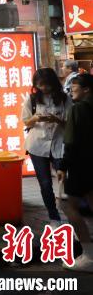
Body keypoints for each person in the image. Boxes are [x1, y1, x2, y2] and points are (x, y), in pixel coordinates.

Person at [22, 68, 72, 225]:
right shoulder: (32, 99)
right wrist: (36, 118)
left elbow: (70, 124)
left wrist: (56, 120)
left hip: (59, 144)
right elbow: (26, 121)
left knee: (64, 180)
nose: (43, 88)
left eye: (47, 84)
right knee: (45, 183)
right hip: (37, 145)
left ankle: (72, 214)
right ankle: (54, 217)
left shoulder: (64, 98)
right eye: (40, 84)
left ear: (53, 83)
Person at [57, 74, 93, 272]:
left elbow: (71, 141)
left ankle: (89, 255)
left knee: (67, 206)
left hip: (81, 165)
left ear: (86, 89)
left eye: (75, 85)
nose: (71, 89)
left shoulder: (78, 109)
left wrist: (63, 165)